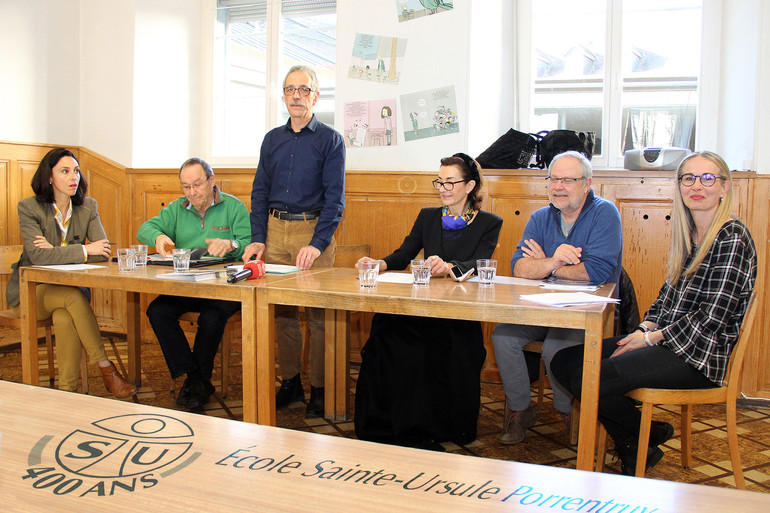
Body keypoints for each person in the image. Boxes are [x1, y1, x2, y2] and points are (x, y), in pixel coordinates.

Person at [551, 151, 757, 475]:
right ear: (680, 186)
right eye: (688, 178)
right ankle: (641, 438)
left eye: (708, 178)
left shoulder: (731, 237)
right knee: (565, 362)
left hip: (699, 356)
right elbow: (666, 298)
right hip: (668, 343)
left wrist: (650, 339)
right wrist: (643, 328)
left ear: (724, 187)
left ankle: (637, 442)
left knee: (590, 375)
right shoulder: (690, 235)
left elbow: (711, 318)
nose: (697, 186)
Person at [354, 153, 503, 450]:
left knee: (426, 345)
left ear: (470, 185)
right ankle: (387, 422)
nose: (443, 188)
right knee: (385, 328)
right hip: (423, 305)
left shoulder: (489, 222)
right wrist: (378, 264)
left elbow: (480, 261)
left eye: (450, 182)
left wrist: (449, 266)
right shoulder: (428, 216)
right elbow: (404, 253)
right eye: (440, 181)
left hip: (458, 311)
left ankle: (432, 424)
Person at [492, 150, 622, 444]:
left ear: (587, 184)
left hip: (584, 312)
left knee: (555, 349)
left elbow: (597, 272)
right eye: (553, 179)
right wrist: (555, 262)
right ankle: (521, 410)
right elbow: (519, 267)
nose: (558, 186)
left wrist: (546, 267)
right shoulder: (540, 218)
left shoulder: (605, 213)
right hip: (541, 308)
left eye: (568, 180)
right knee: (503, 337)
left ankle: (567, 410)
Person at [242, 65, 345, 418]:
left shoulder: (331, 140)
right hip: (274, 232)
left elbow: (335, 200)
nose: (296, 96)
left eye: (304, 90)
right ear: (284, 96)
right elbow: (259, 192)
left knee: (318, 317)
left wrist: (317, 243)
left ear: (316, 96)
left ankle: (319, 388)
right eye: (290, 90)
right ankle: (291, 382)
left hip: (311, 232)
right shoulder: (272, 139)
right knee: (282, 315)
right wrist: (258, 239)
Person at [6, 148, 136, 398]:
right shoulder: (29, 207)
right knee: (72, 298)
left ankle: (67, 394)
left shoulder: (88, 206)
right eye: (64, 171)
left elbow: (102, 253)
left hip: (69, 293)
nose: (73, 177)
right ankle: (107, 369)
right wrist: (84, 249)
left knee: (66, 317)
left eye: (75, 171)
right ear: (49, 177)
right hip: (32, 292)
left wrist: (58, 250)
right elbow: (38, 257)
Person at [137, 158, 250, 410]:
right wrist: (158, 236)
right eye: (186, 187)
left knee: (211, 319)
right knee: (157, 311)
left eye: (197, 185)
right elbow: (144, 228)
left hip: (223, 285)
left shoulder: (234, 207)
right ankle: (195, 377)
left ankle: (196, 381)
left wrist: (232, 244)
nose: (192, 192)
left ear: (212, 181)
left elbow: (249, 243)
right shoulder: (178, 208)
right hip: (188, 284)